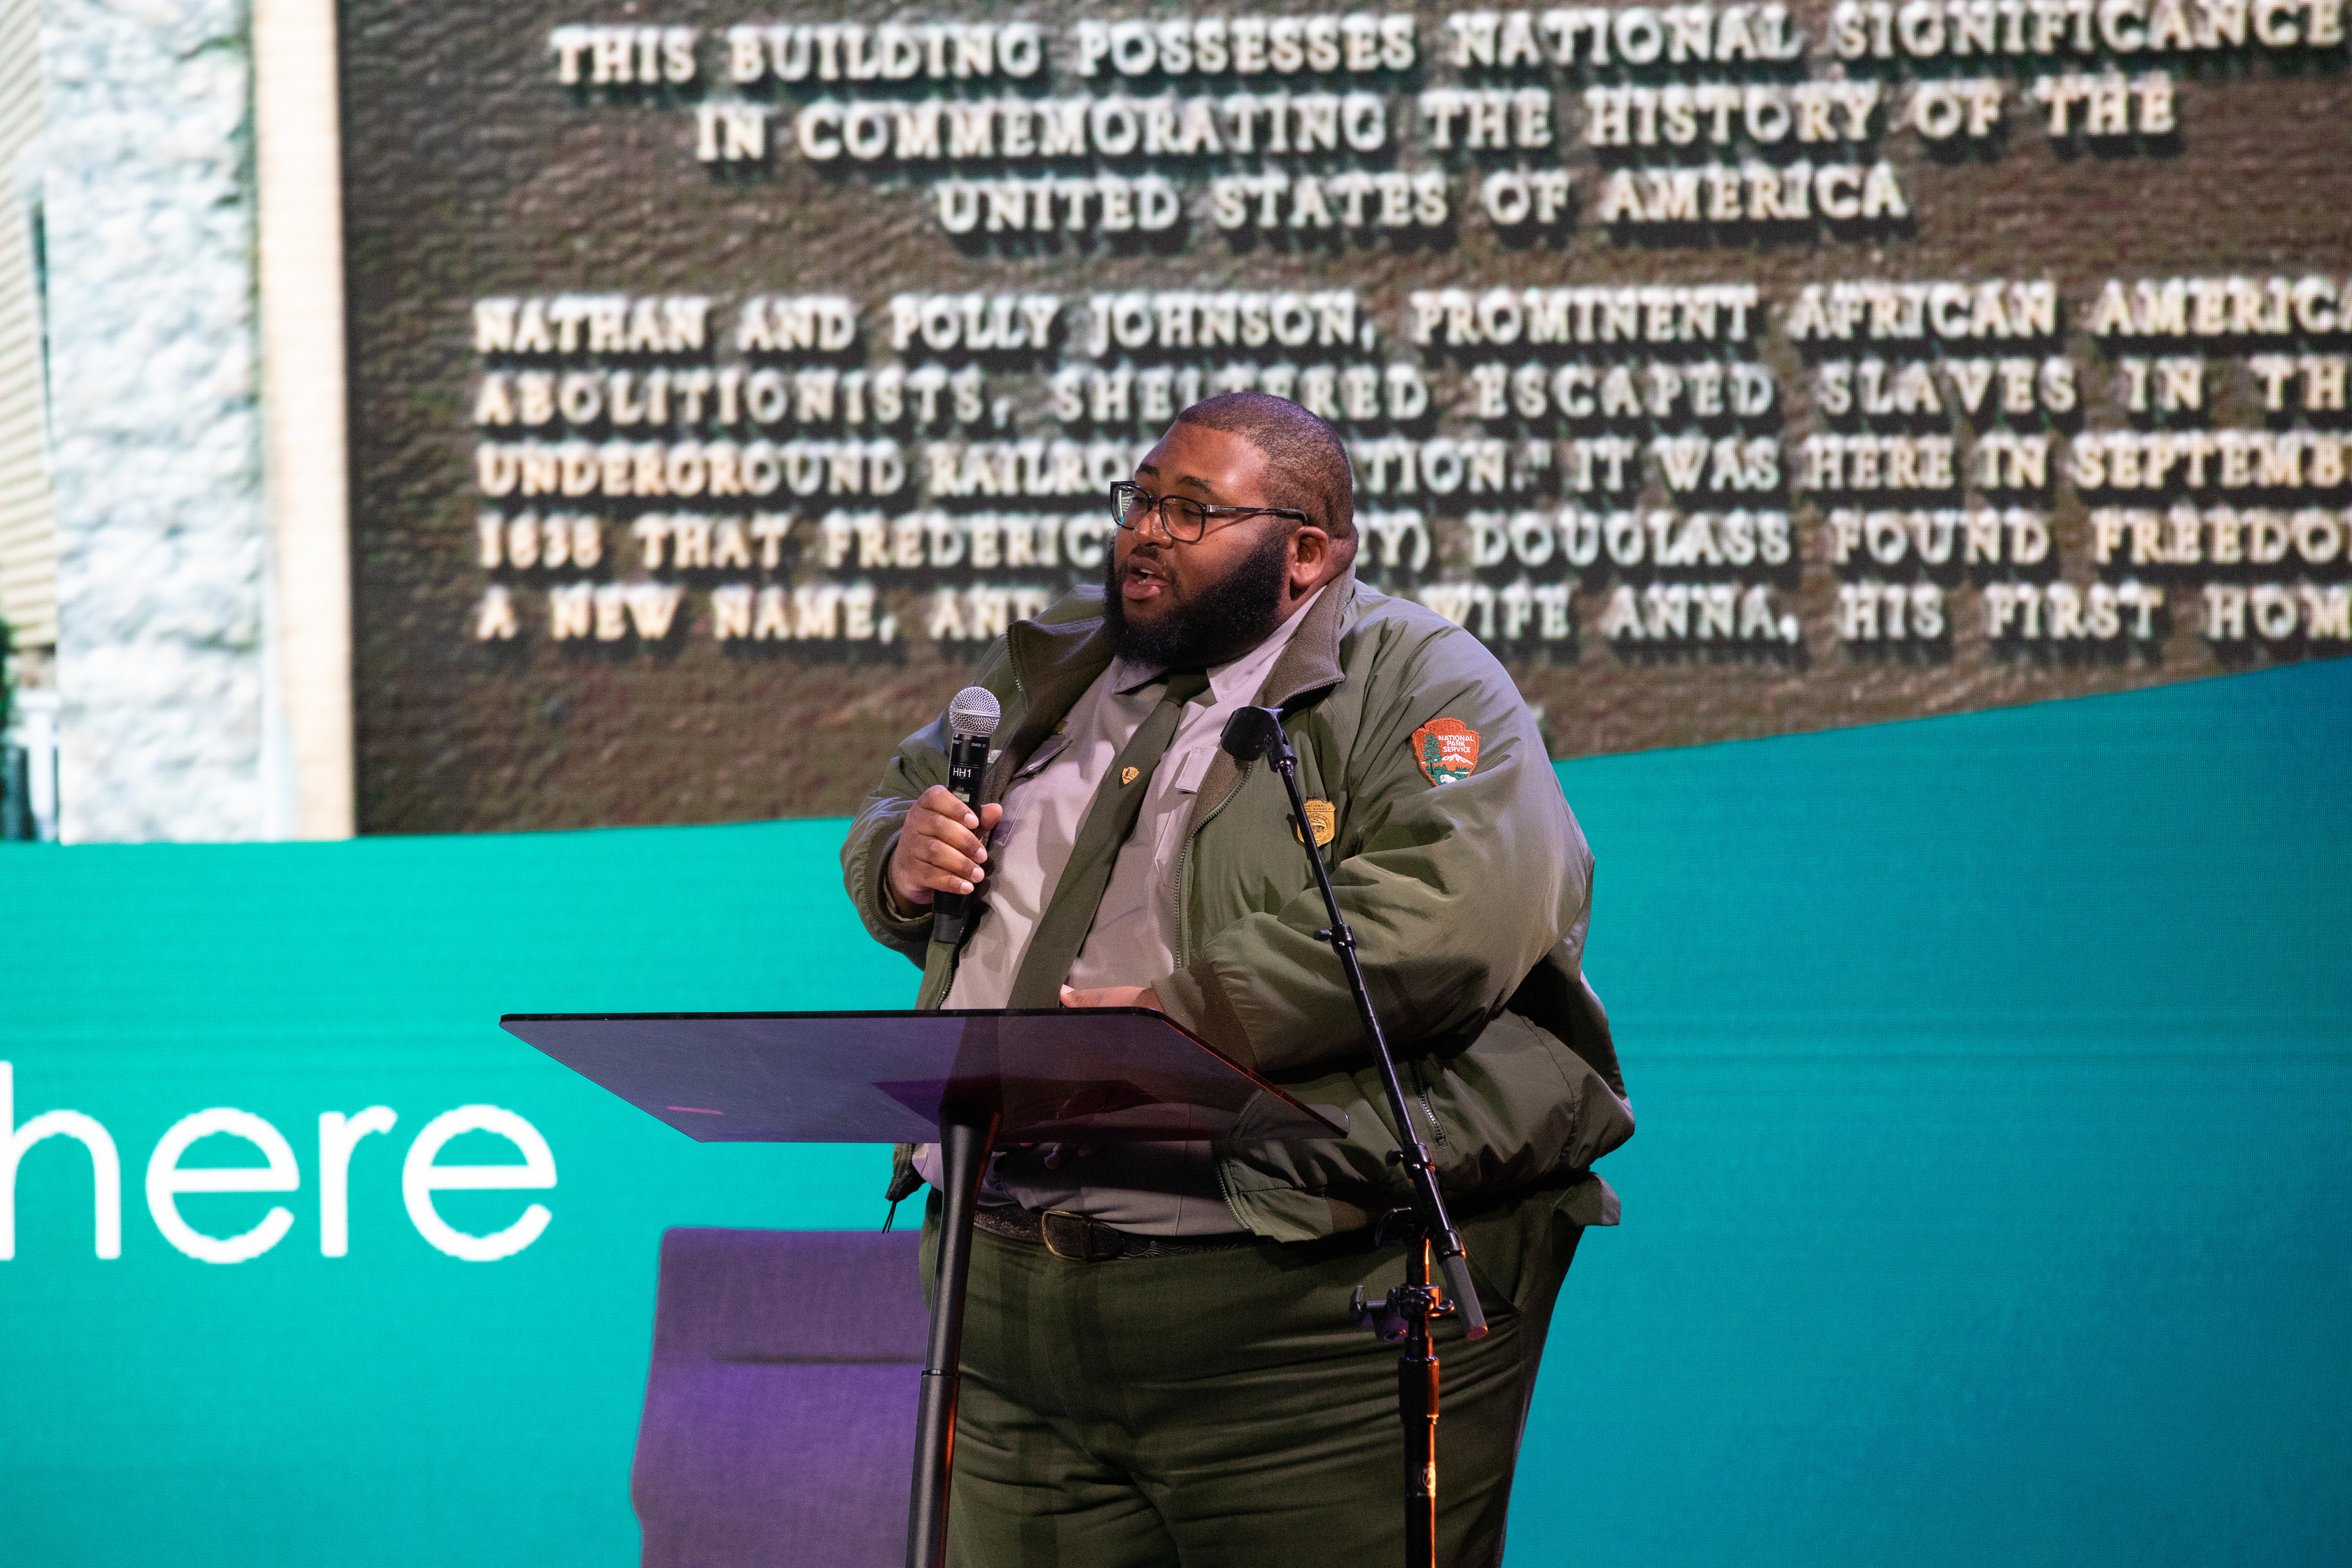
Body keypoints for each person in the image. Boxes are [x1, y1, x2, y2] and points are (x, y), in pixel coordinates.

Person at [842, 392, 1632, 1567]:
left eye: (1192, 512)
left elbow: (1457, 912)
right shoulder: (1055, 662)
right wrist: (899, 862)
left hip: (1298, 1323)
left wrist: (1184, 1022)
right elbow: (901, 803)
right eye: (1140, 500)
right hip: (1003, 1306)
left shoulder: (1418, 677)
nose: (1145, 533)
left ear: (1305, 553)